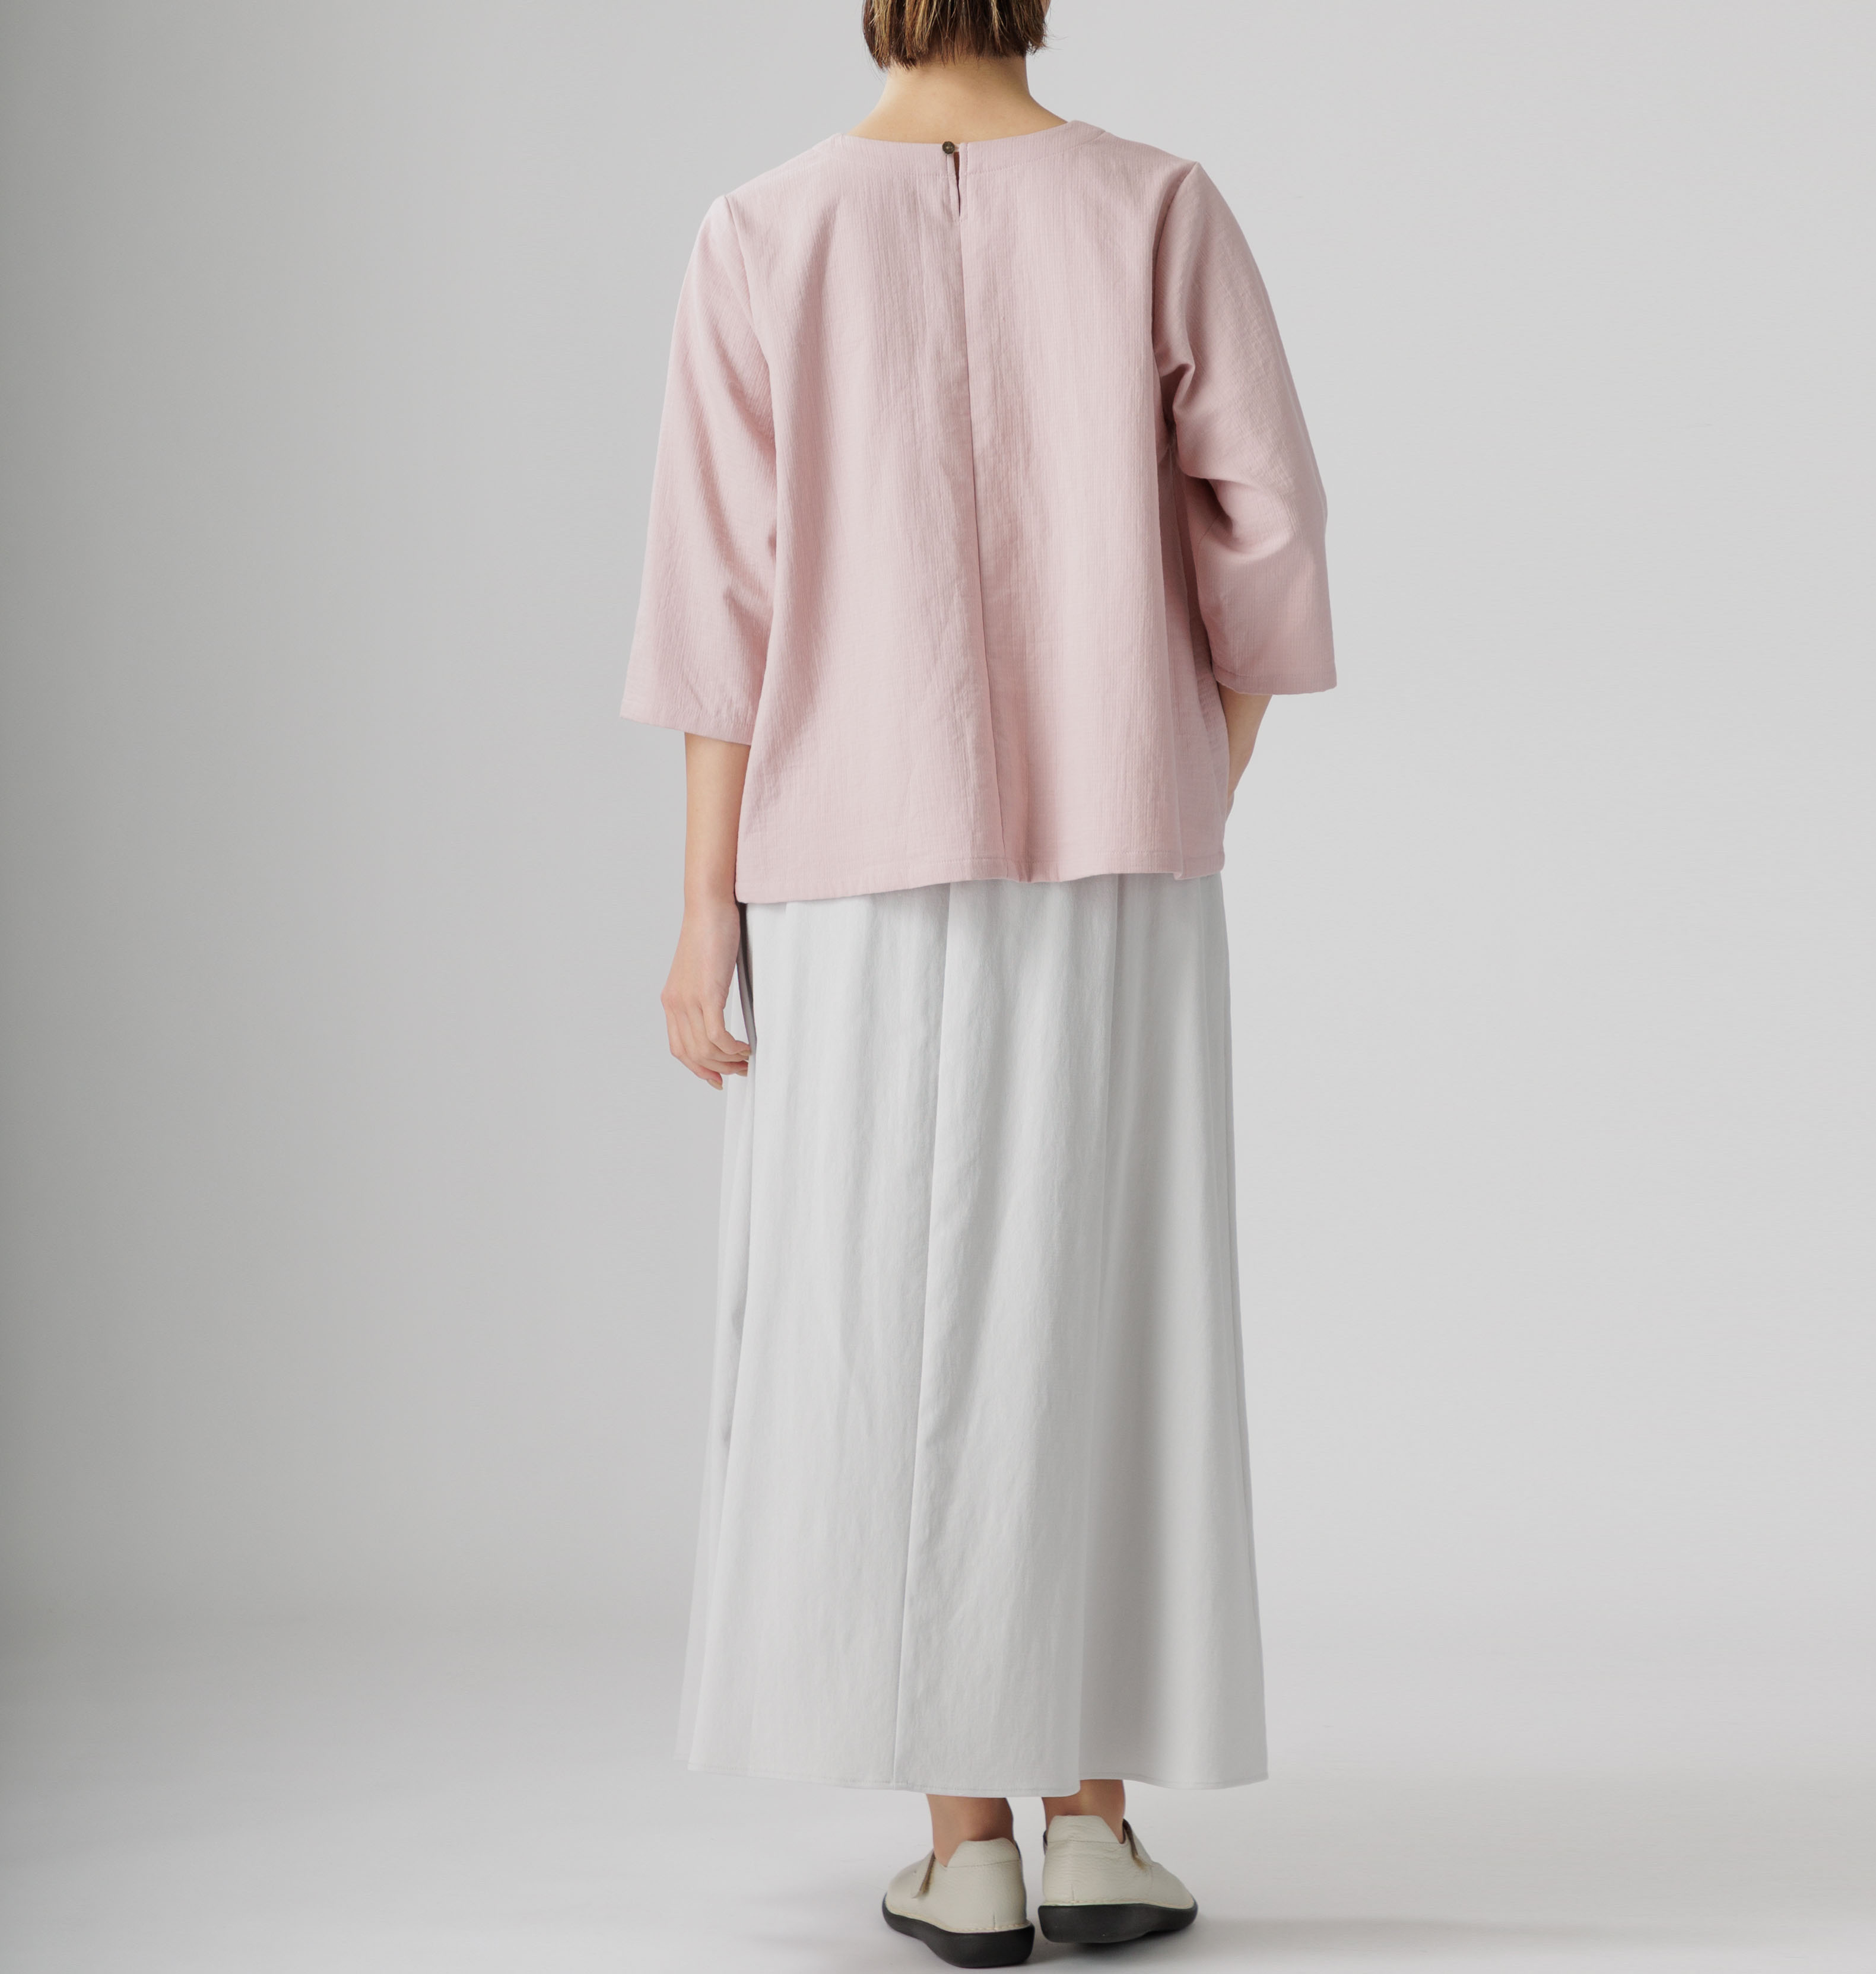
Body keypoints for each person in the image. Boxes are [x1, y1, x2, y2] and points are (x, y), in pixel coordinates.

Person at [622, 1, 1333, 1962]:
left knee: (895, 1329)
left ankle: (970, 1845)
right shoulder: (1158, 204)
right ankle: (1096, 1825)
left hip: (845, 860)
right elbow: (1271, 527)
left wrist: (702, 909)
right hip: (1119, 849)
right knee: (1105, 1304)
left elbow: (716, 594)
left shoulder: (762, 228)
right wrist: (1182, 763)